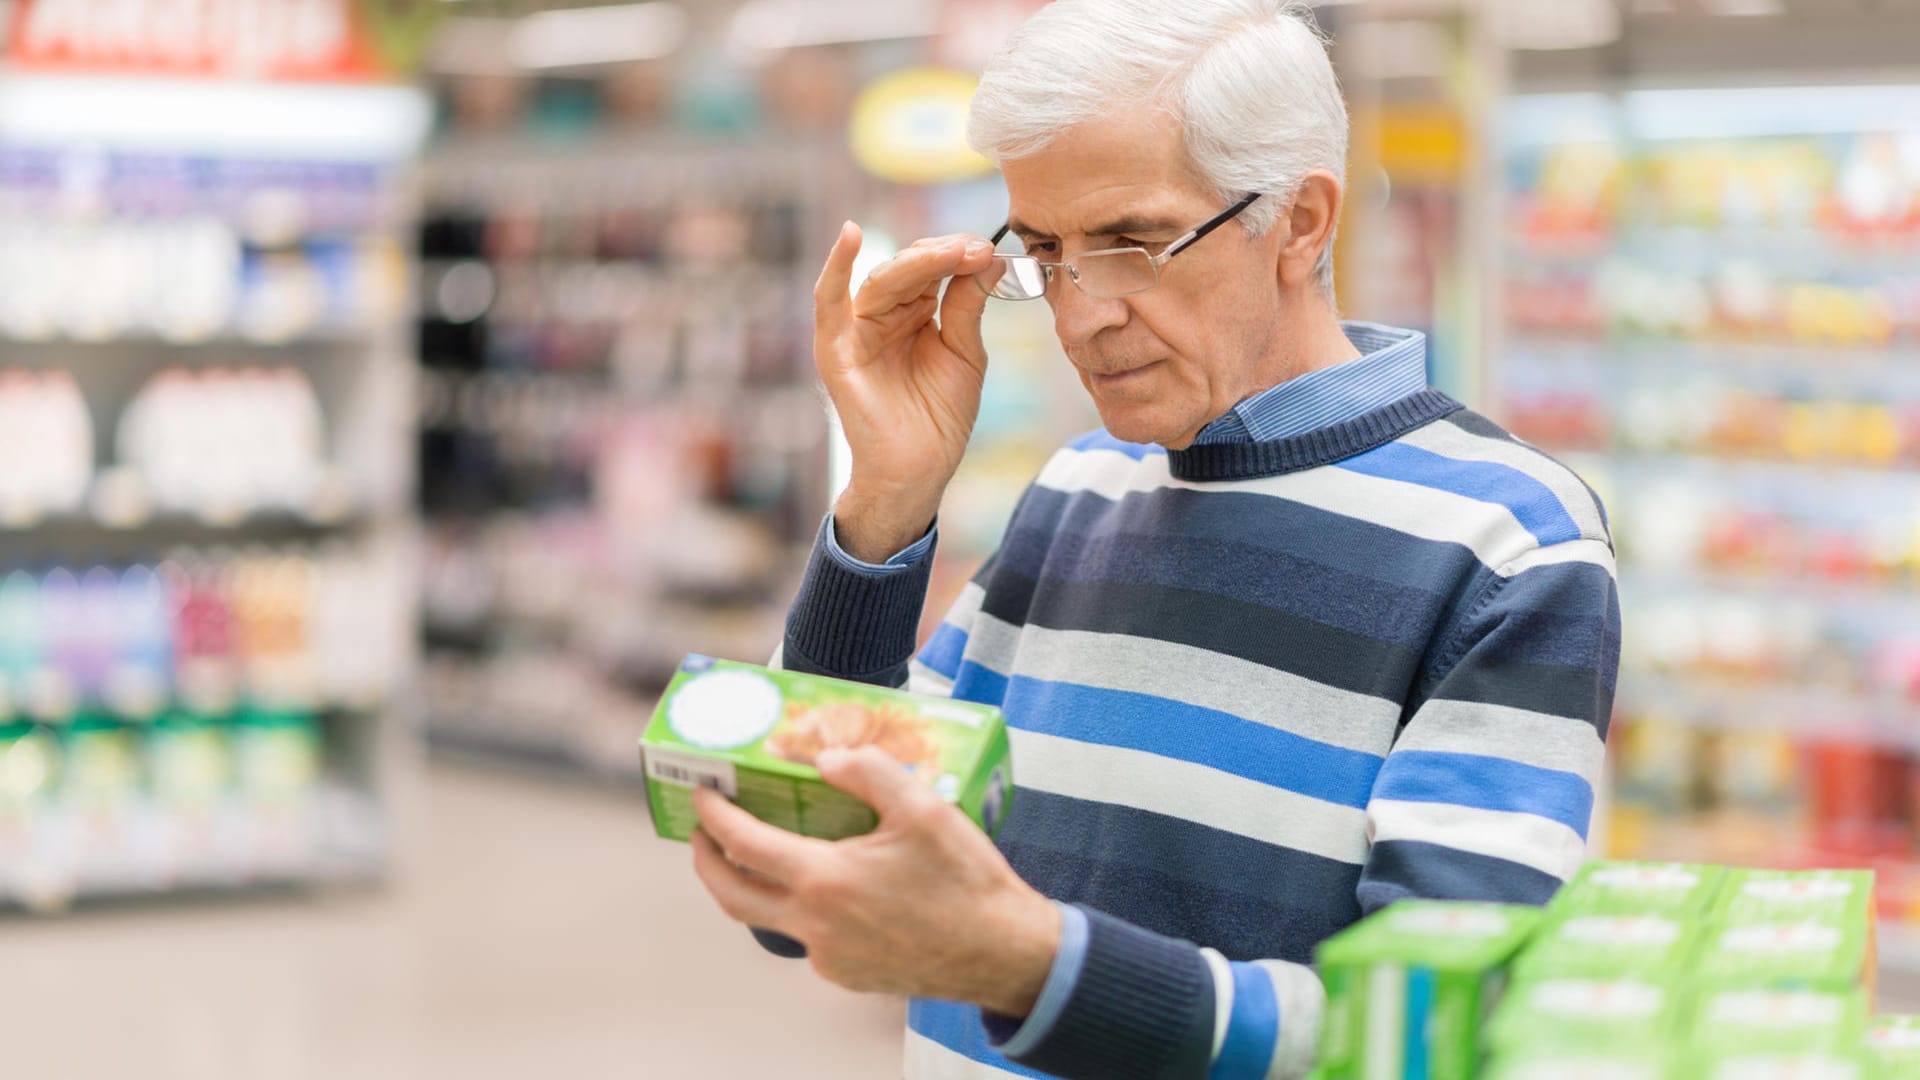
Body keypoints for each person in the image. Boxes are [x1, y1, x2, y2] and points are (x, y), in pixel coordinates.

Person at [686, 2, 1620, 1077]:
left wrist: (1032, 970)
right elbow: (808, 880)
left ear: (1303, 222)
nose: (1081, 317)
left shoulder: (1509, 541)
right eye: (1045, 252)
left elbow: (1436, 1039)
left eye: (1130, 244)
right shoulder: (1081, 488)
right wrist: (885, 503)